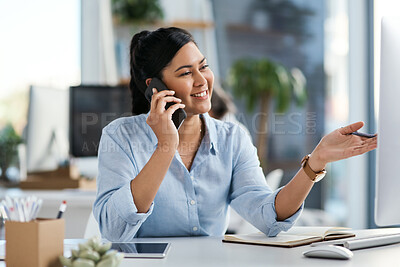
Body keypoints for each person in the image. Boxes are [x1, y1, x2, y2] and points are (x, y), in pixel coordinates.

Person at [93, 27, 377, 241]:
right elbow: (114, 230)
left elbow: (269, 217)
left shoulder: (232, 138)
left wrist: (316, 161)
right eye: (185, 73)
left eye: (203, 66)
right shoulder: (120, 137)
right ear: (155, 86)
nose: (202, 80)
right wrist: (166, 145)